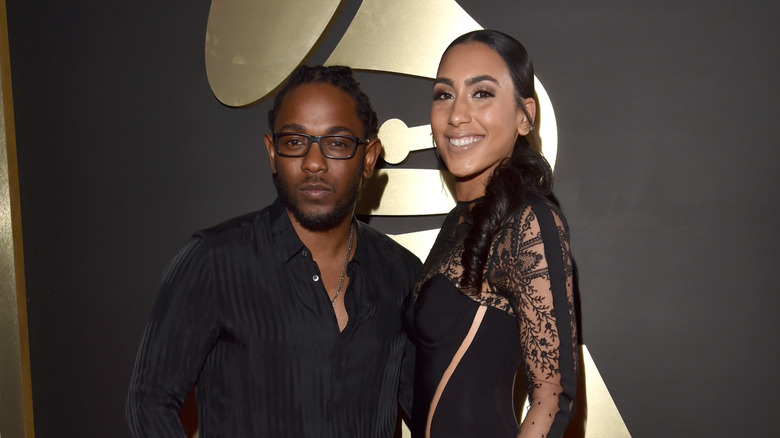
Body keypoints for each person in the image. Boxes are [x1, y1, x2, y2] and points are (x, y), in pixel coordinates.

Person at [126, 65, 420, 437]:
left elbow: (431, 413)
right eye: (295, 142)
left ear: (368, 158)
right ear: (272, 153)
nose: (314, 163)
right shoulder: (214, 261)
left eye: (337, 143)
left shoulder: (402, 273)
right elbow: (149, 401)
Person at [407, 30, 578, 438]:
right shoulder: (456, 223)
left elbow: (552, 398)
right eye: (444, 95)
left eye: (481, 93)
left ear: (525, 115)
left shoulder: (529, 221)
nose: (457, 115)